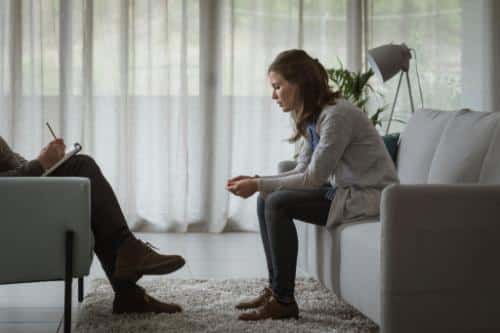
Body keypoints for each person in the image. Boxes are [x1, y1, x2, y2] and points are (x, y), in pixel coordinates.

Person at [226, 49, 399, 321]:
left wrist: (258, 182)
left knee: (277, 202)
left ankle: (284, 302)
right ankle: (275, 289)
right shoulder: (313, 116)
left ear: (299, 84)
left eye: (277, 87)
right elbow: (301, 170)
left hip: (367, 196)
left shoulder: (336, 115)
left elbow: (313, 178)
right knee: (266, 197)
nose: (274, 95)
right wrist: (258, 183)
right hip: (342, 191)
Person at [0, 136, 186, 314]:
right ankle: (129, 270)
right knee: (81, 165)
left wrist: (46, 160)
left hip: (18, 210)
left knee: (81, 168)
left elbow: (17, 167)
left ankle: (128, 288)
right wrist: (40, 164)